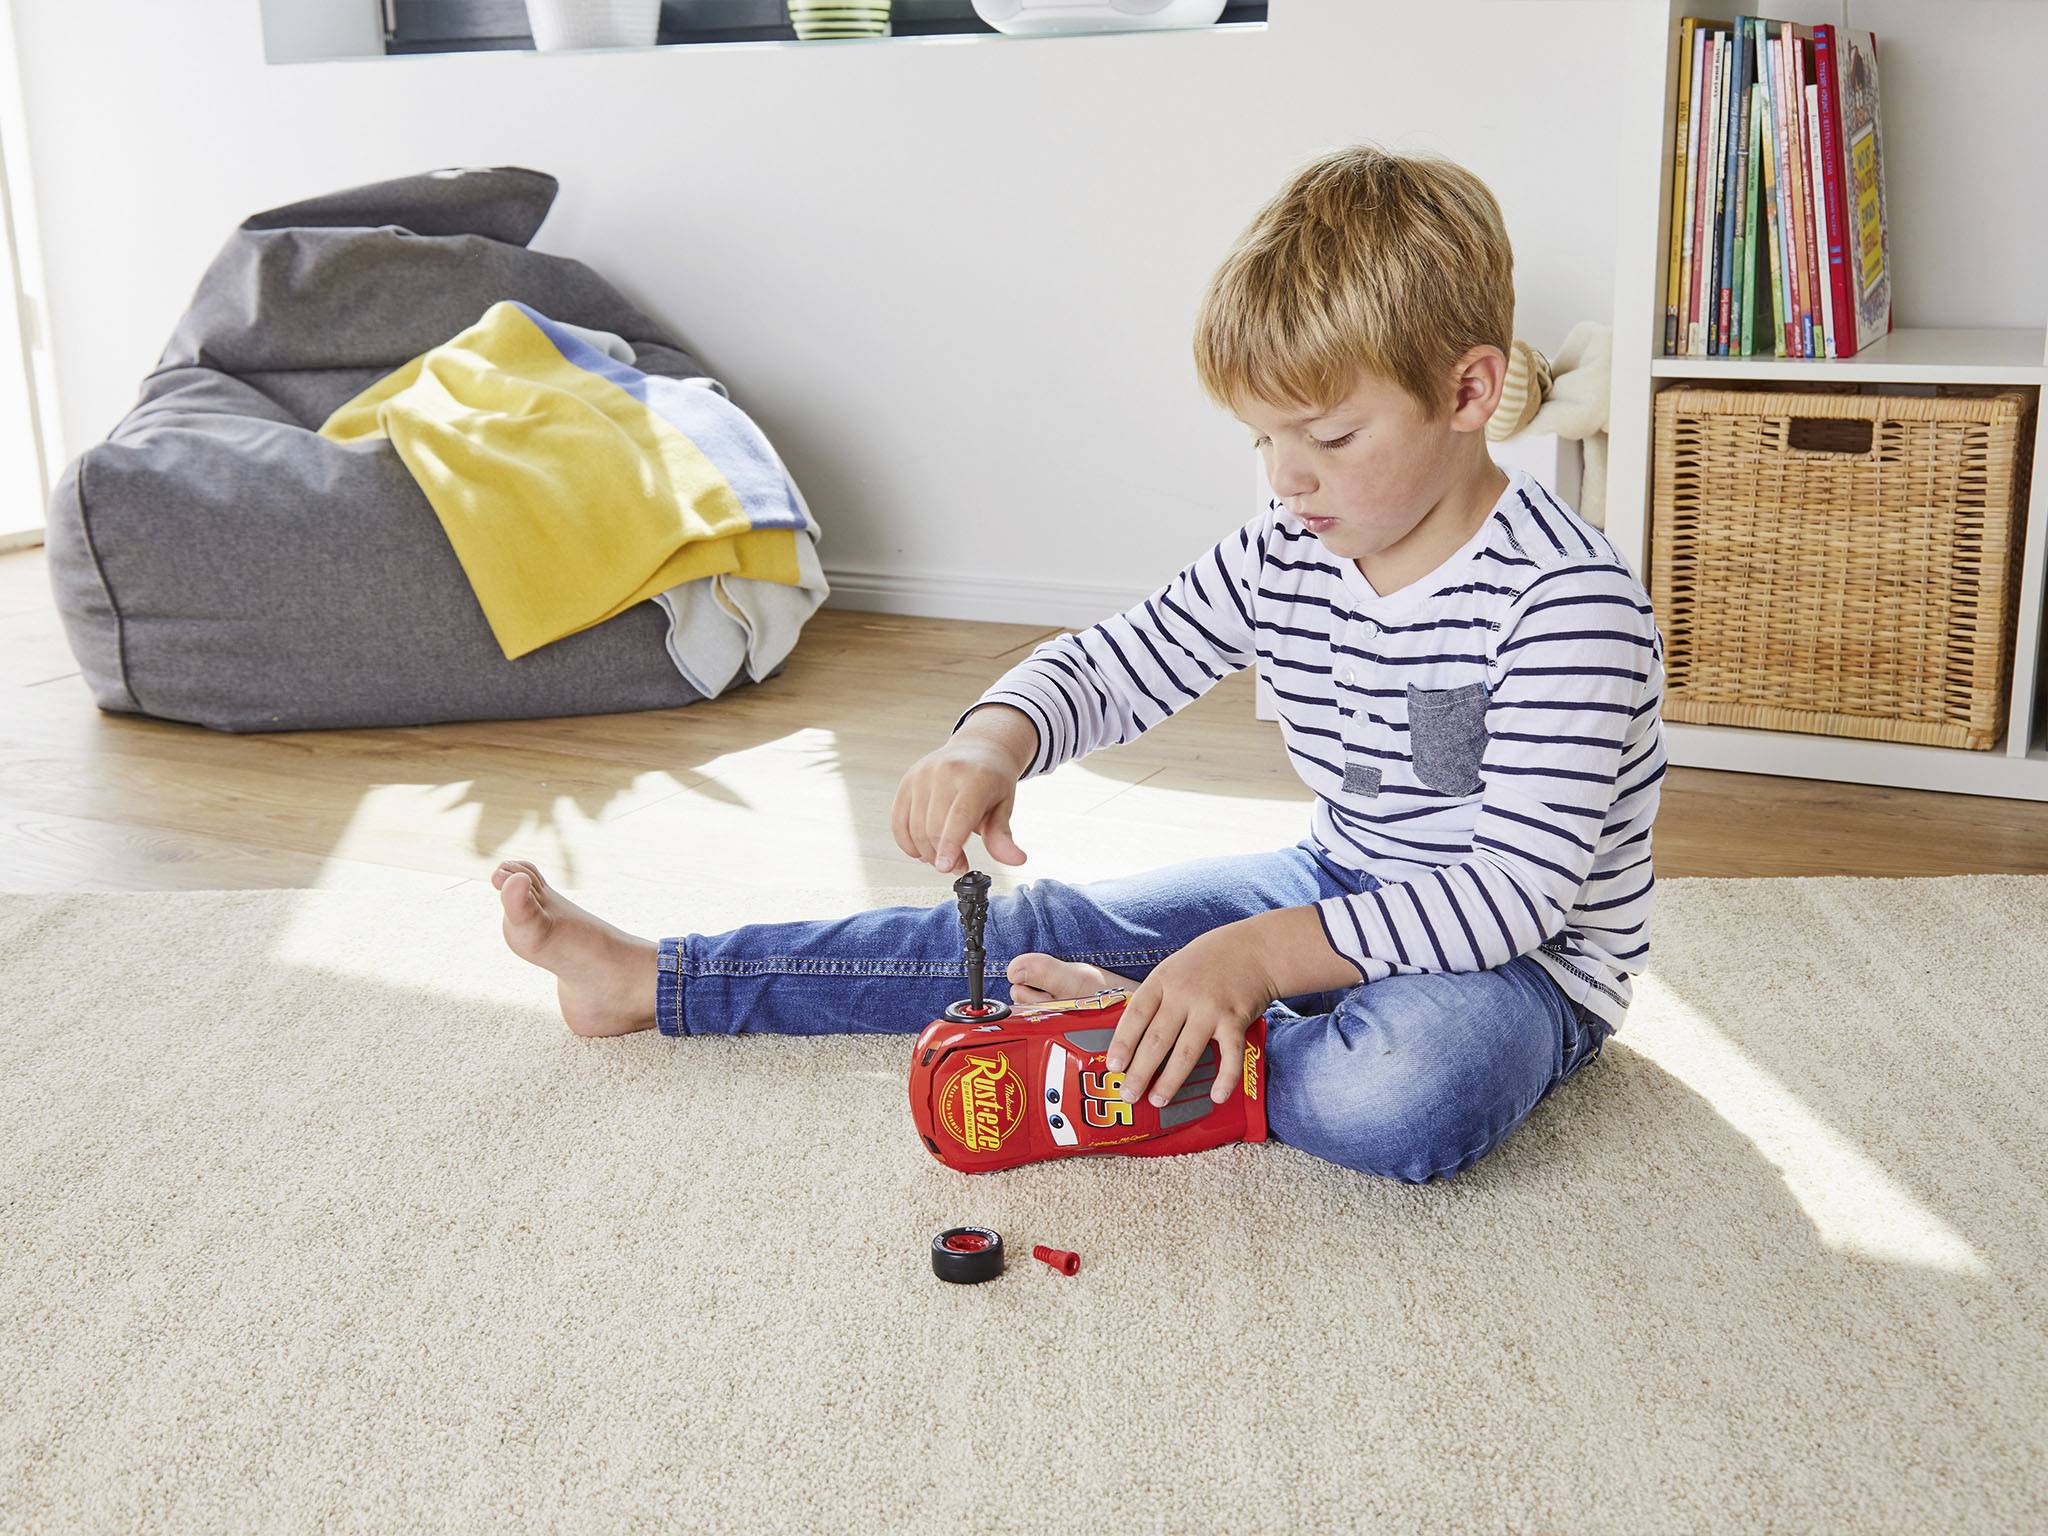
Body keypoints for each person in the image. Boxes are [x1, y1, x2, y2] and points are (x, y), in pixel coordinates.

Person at [495, 143, 1668, 1184]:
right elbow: (1123, 658)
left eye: (1328, 437)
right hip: (1333, 879)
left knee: (1412, 1087)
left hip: (1520, 970)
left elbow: (1515, 893)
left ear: (1465, 393)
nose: (1283, 479)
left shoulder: (1564, 604)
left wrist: (1249, 959)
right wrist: (990, 736)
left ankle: (1163, 1044)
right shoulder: (1287, 549)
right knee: (1031, 932)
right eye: (1260, 438)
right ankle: (657, 981)